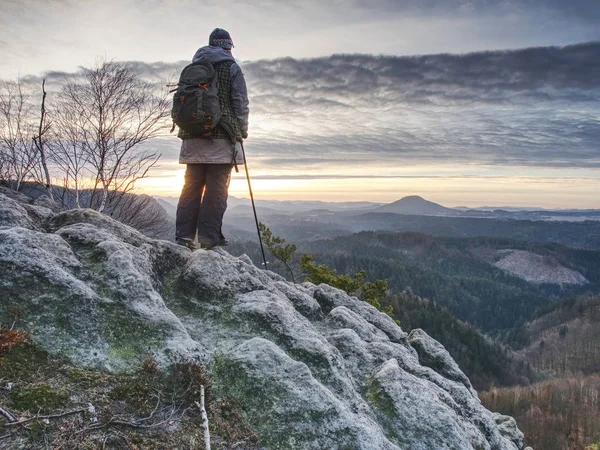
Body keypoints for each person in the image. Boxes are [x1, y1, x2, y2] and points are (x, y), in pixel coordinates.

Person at [175, 28, 249, 250]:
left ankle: (183, 237)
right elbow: (240, 103)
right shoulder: (231, 68)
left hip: (191, 138)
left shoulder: (193, 69)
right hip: (222, 137)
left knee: (191, 186)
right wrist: (241, 131)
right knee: (217, 189)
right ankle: (209, 240)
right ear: (227, 46)